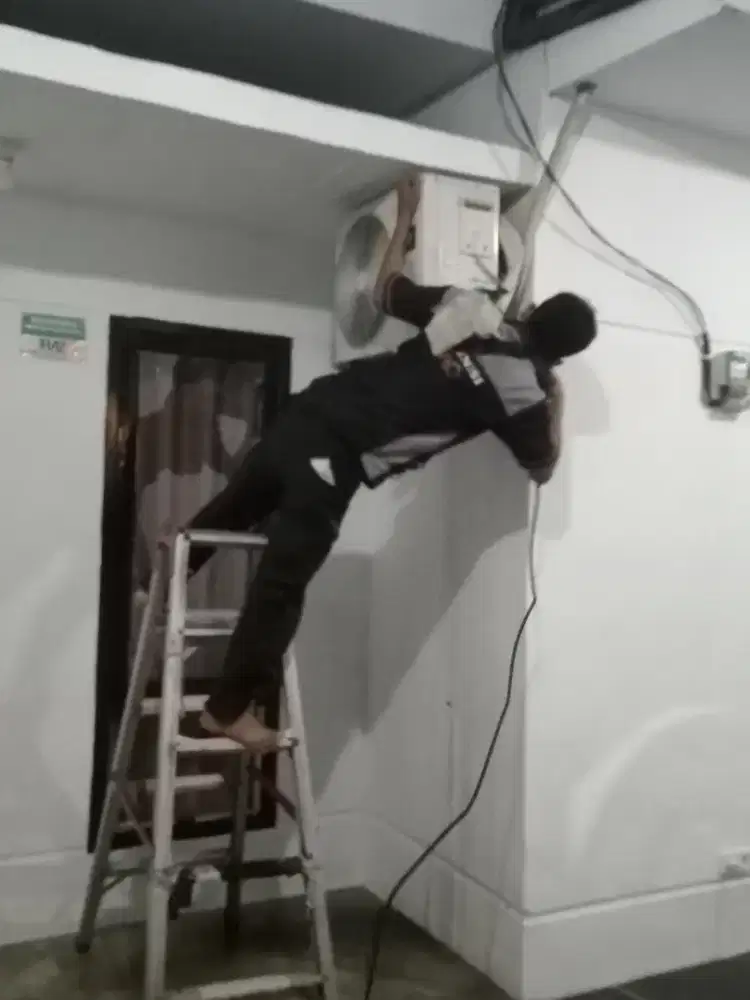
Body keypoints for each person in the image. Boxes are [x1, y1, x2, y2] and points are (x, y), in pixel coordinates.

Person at [183, 175, 598, 752]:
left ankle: (165, 575)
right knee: (281, 586)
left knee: (237, 505)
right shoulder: (525, 391)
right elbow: (543, 466)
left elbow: (385, 292)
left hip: (309, 409)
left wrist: (405, 216)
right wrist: (558, 399)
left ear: (533, 309)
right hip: (337, 454)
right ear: (563, 355)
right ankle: (227, 712)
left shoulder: (470, 307)